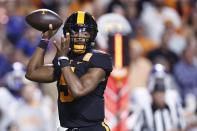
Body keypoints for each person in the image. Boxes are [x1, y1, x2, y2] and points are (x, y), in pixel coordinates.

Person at [25, 11, 113, 131]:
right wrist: (45, 39)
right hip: (69, 128)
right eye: (75, 31)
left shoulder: (99, 59)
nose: (79, 36)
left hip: (92, 128)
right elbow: (32, 73)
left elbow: (78, 90)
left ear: (92, 35)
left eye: (84, 32)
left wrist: (63, 59)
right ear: (67, 33)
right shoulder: (65, 57)